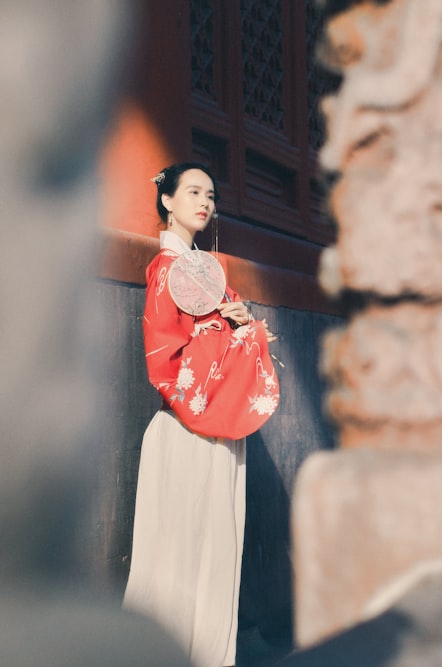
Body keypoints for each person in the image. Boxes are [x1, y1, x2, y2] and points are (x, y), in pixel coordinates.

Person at [123, 162, 279, 667]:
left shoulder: (208, 270)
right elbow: (165, 361)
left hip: (217, 428)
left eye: (211, 194)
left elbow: (219, 343)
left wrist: (243, 324)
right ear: (167, 201)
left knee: (213, 554)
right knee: (180, 558)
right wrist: (240, 339)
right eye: (193, 191)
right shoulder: (168, 269)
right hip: (188, 427)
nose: (205, 202)